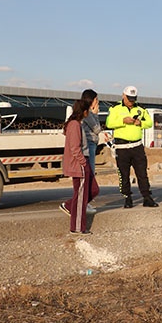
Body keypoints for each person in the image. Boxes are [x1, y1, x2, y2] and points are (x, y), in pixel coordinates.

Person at [106, 86, 159, 208]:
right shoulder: (115, 109)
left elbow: (149, 123)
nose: (131, 101)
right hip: (122, 147)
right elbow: (109, 123)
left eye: (133, 99)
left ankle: (147, 197)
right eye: (129, 99)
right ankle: (127, 198)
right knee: (124, 174)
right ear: (123, 96)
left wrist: (140, 123)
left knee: (142, 173)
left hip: (137, 147)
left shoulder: (140, 108)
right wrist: (123, 121)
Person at [60, 98, 100, 235]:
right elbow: (75, 148)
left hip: (83, 162)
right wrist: (83, 163)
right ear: (84, 111)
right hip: (80, 164)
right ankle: (77, 228)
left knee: (93, 190)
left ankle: (69, 205)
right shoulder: (75, 125)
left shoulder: (77, 123)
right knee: (81, 197)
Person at [81, 89, 102, 215]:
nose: (97, 102)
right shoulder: (88, 113)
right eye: (96, 99)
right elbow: (97, 128)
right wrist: (96, 113)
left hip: (90, 144)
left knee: (90, 173)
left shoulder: (85, 112)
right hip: (90, 145)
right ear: (92, 100)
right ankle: (85, 203)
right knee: (90, 173)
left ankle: (85, 202)